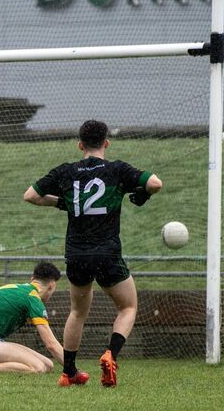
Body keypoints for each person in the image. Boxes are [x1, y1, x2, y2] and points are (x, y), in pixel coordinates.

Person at [23, 119, 162, 388]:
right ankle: (111, 354)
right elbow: (155, 183)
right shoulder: (117, 169)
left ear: (80, 145)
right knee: (128, 306)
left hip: (77, 254)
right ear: (106, 143)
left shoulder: (65, 171)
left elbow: (30, 195)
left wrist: (62, 203)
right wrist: (142, 194)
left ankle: (70, 372)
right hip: (107, 253)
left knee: (77, 312)